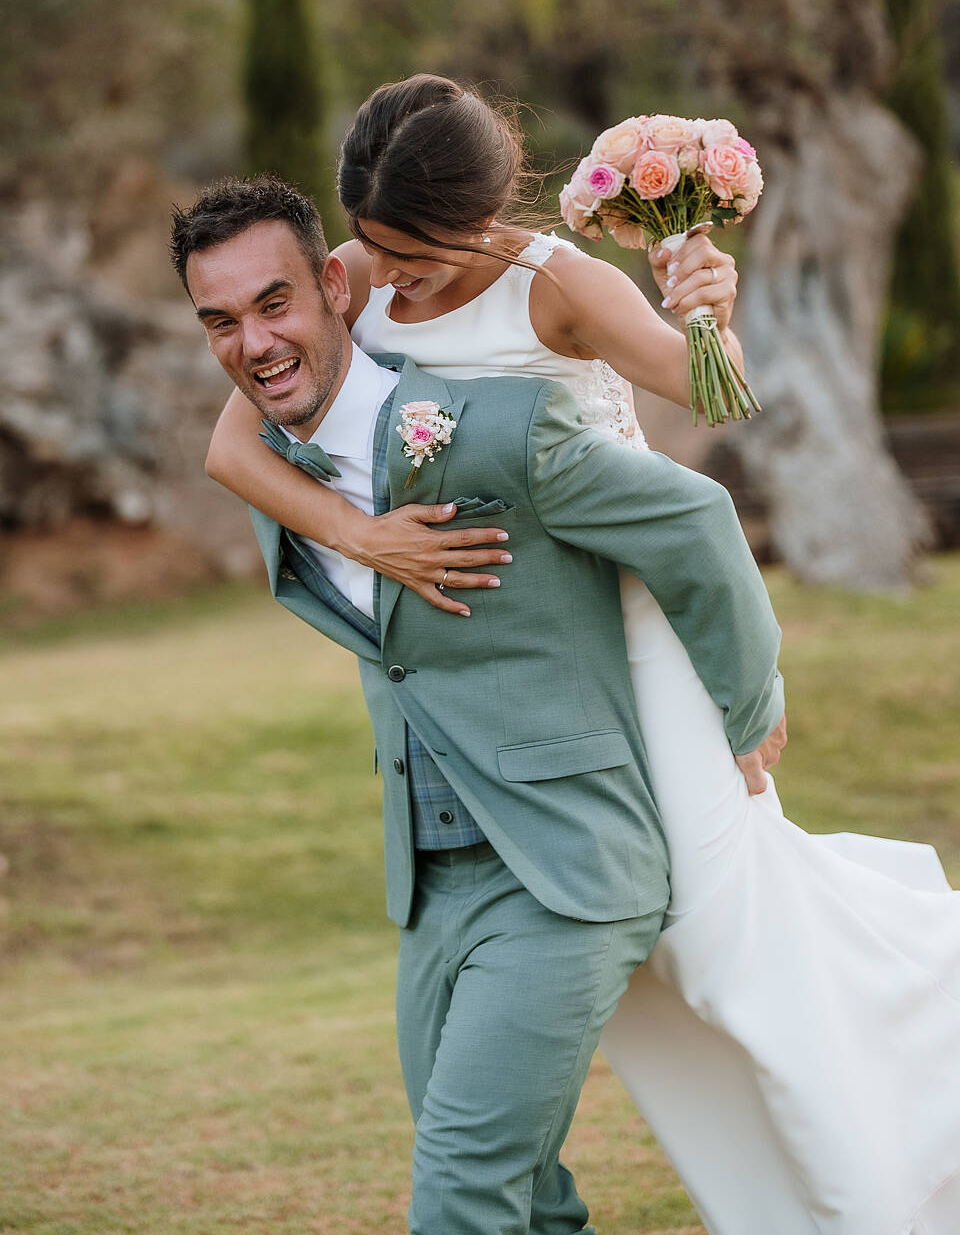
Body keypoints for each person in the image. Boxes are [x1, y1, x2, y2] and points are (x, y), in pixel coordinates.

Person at [203, 76, 960, 1235]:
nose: (388, 280)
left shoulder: (556, 285)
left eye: (419, 257)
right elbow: (235, 440)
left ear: (478, 220)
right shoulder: (352, 275)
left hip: (622, 613)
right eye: (373, 248)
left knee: (721, 936)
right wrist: (365, 538)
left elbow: (713, 404)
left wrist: (703, 306)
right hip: (501, 668)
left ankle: (875, 1101)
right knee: (599, 1046)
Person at [172, 173, 787, 1235]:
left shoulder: (498, 431)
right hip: (432, 883)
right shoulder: (286, 470)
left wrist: (750, 710)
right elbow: (231, 453)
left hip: (564, 874)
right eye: (219, 322)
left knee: (461, 1197)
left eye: (274, 304)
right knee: (531, 1203)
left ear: (336, 285)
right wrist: (355, 532)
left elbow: (696, 519)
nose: (253, 342)